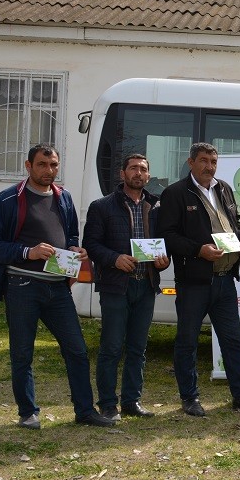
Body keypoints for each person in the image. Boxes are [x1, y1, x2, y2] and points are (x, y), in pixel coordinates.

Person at [0, 143, 115, 429]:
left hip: (57, 288)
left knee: (76, 350)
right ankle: (28, 413)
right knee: (22, 353)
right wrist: (28, 252)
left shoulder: (63, 198)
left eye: (53, 165)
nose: (49, 171)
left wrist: (76, 249)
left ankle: (85, 412)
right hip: (22, 285)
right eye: (42, 164)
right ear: (28, 166)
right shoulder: (7, 200)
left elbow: (71, 233)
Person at [157, 143, 240, 416]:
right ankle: (190, 399)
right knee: (187, 341)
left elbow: (235, 224)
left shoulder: (224, 188)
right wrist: (199, 250)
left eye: (213, 161)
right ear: (190, 162)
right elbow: (168, 236)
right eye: (204, 161)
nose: (209, 166)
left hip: (224, 279)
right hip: (193, 281)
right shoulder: (175, 193)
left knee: (232, 341)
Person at [83, 153, 170, 420]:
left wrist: (164, 261)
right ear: (122, 174)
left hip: (146, 285)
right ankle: (108, 403)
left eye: (143, 169)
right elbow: (92, 245)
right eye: (133, 168)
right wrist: (115, 258)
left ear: (148, 175)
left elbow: (165, 244)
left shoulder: (157, 206)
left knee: (137, 348)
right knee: (111, 347)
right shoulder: (102, 206)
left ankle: (132, 401)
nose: (138, 173)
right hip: (115, 286)